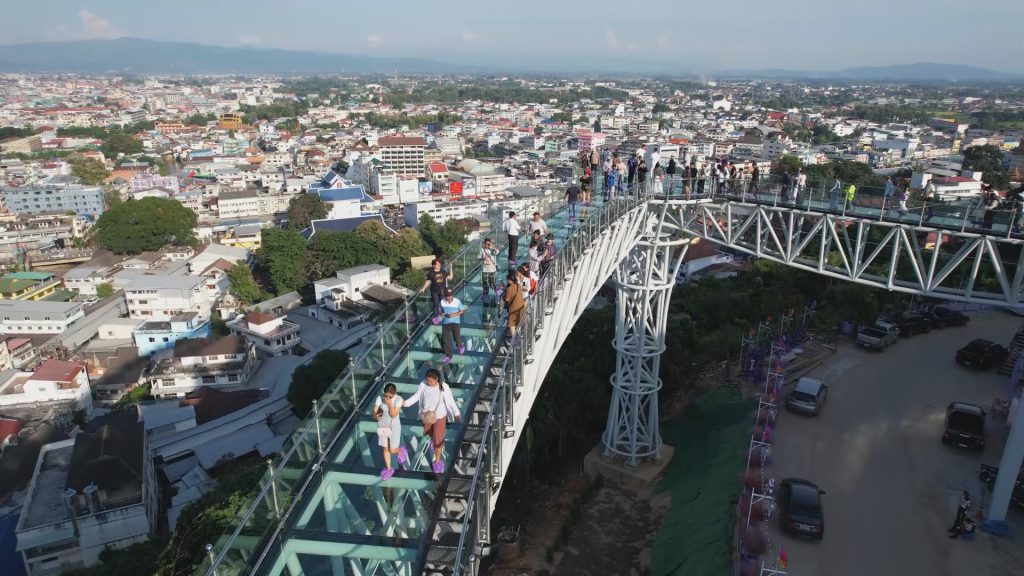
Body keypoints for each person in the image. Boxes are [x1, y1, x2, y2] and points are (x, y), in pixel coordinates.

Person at [404, 368, 460, 473]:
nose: (429, 383)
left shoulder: (444, 387)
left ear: (437, 379)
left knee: (438, 440)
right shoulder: (423, 385)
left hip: (440, 416)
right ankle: (432, 443)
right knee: (429, 434)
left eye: (431, 381)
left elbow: (450, 401)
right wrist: (405, 403)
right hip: (427, 416)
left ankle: (437, 462)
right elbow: (417, 396)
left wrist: (456, 412)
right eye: (427, 380)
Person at [373, 383, 407, 480]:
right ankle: (388, 469)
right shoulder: (380, 398)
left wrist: (389, 404)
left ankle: (401, 450)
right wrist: (375, 415)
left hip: (394, 426)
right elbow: (374, 411)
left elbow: (393, 415)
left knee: (392, 450)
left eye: (390, 396)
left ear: (394, 394)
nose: (387, 397)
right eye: (386, 395)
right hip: (383, 426)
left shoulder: (398, 399)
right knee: (385, 449)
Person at [419, 258, 452, 325]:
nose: (439, 265)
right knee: (436, 304)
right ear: (433, 265)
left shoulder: (443, 271)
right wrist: (423, 288)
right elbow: (428, 281)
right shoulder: (431, 273)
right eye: (437, 264)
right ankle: (435, 318)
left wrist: (451, 269)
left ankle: (444, 315)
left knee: (443, 304)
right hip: (434, 291)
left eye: (439, 264)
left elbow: (450, 277)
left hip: (442, 291)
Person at [437, 288, 465, 363]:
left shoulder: (457, 301)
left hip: (455, 322)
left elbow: (462, 311)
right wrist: (441, 314)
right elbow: (440, 310)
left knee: (456, 337)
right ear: (445, 295)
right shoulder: (442, 302)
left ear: (452, 295)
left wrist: (454, 314)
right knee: (445, 340)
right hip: (445, 323)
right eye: (447, 296)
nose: (449, 297)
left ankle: (460, 345)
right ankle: (448, 355)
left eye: (450, 295)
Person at [502, 271, 525, 345]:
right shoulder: (518, 285)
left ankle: (515, 340)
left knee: (511, 324)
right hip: (521, 306)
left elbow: (507, 299)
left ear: (509, 280)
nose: (506, 281)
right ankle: (519, 336)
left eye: (507, 280)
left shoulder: (509, 288)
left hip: (514, 309)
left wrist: (503, 293)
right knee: (517, 322)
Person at [478, 238, 500, 304]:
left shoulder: (493, 250)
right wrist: (483, 258)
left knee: (493, 283)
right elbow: (478, 257)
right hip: (485, 269)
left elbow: (497, 251)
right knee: (485, 284)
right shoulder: (482, 250)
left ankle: (498, 294)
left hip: (492, 269)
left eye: (488, 244)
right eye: (486, 244)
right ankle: (485, 296)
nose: (487, 245)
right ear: (484, 244)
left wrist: (492, 247)